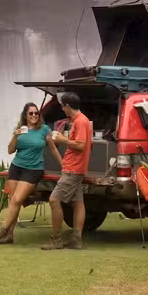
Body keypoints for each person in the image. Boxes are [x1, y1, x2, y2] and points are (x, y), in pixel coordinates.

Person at [0, 102, 63, 244]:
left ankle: (1, 232)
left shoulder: (44, 129)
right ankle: (9, 235)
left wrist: (63, 165)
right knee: (13, 200)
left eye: (36, 113)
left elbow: (53, 149)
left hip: (33, 169)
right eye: (31, 113)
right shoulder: (20, 130)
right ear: (25, 115)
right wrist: (15, 136)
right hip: (16, 167)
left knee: (17, 200)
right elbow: (10, 150)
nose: (34, 115)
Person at [41, 91, 92, 250]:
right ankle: (76, 240)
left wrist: (62, 140)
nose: (62, 109)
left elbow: (81, 145)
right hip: (74, 168)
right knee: (78, 203)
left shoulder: (80, 121)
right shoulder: (79, 120)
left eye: (63, 106)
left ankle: (56, 239)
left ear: (68, 106)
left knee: (54, 200)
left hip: (73, 169)